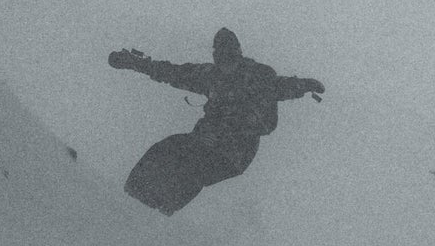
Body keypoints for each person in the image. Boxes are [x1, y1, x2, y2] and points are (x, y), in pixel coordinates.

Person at [109, 28, 324, 214]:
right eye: (220, 61)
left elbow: (276, 98)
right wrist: (134, 63)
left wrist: (304, 85)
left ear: (237, 56)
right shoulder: (211, 75)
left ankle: (160, 210)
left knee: (193, 167)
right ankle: (133, 195)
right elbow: (173, 72)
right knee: (166, 148)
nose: (225, 67)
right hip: (204, 139)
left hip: (235, 151)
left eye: (229, 61)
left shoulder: (258, 77)